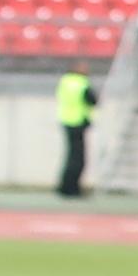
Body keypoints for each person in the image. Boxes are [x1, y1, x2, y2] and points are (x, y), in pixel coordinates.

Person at [55, 68, 95, 198]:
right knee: (78, 159)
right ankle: (73, 189)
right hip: (78, 122)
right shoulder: (82, 83)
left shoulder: (64, 82)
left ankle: (64, 187)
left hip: (66, 121)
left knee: (70, 156)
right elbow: (92, 100)